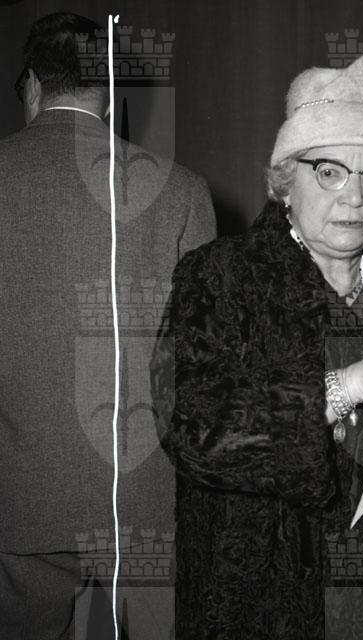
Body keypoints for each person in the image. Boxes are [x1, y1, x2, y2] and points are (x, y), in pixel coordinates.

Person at [152, 52, 363, 639]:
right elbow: (192, 428)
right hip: (260, 587)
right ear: (287, 181)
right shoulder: (221, 276)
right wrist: (344, 387)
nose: (354, 197)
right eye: (330, 171)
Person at [0, 12, 216, 639]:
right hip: (148, 498)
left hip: (17, 494)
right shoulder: (184, 191)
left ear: (33, 84)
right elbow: (204, 362)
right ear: (113, 95)